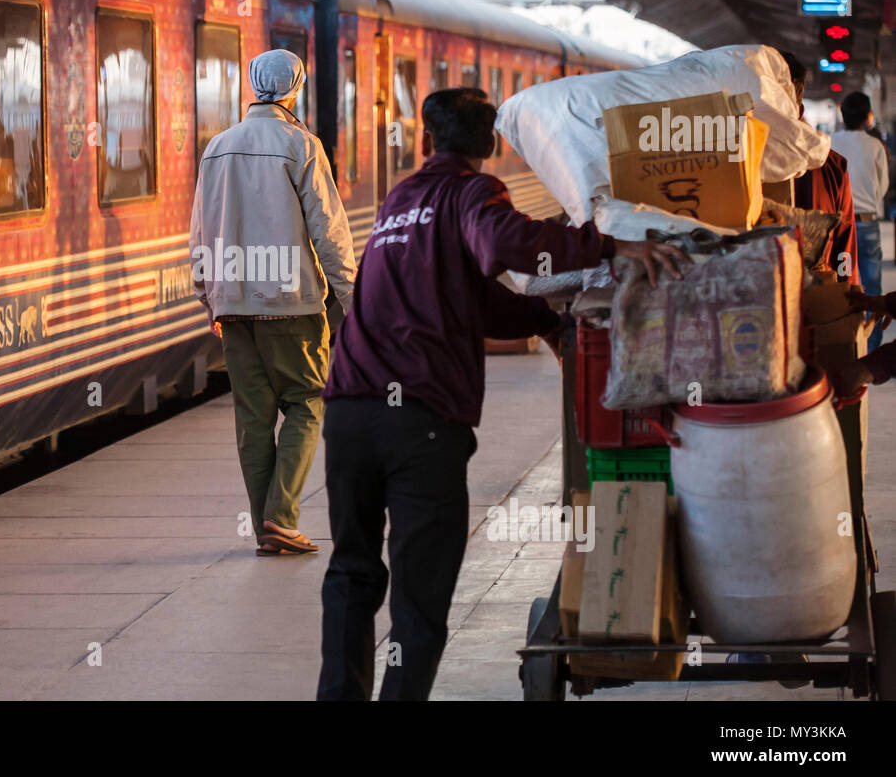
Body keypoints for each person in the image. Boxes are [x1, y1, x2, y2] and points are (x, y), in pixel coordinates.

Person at [316, 89, 688, 700]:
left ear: (428, 136)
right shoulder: (473, 193)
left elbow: (473, 297)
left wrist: (546, 323)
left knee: (351, 574)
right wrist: (608, 244)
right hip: (421, 422)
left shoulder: (399, 201)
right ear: (491, 142)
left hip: (350, 413)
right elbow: (505, 246)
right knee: (419, 595)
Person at [189, 49, 357, 556]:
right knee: (306, 403)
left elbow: (200, 229)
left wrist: (209, 297)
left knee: (253, 417)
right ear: (295, 87)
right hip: (291, 303)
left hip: (234, 304)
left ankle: (269, 526)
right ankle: (280, 518)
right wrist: (352, 299)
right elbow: (328, 229)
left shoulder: (217, 147)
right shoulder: (300, 145)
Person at [779, 51, 856, 280]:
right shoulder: (832, 166)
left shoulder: (727, 165)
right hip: (818, 306)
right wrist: (848, 293)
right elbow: (845, 249)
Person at [832, 91, 889, 352]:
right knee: (872, 288)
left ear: (842, 115)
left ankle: (843, 342)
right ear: (868, 116)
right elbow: (883, 186)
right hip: (867, 222)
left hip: (838, 224)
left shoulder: (830, 141)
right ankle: (872, 347)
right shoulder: (875, 146)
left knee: (840, 284)